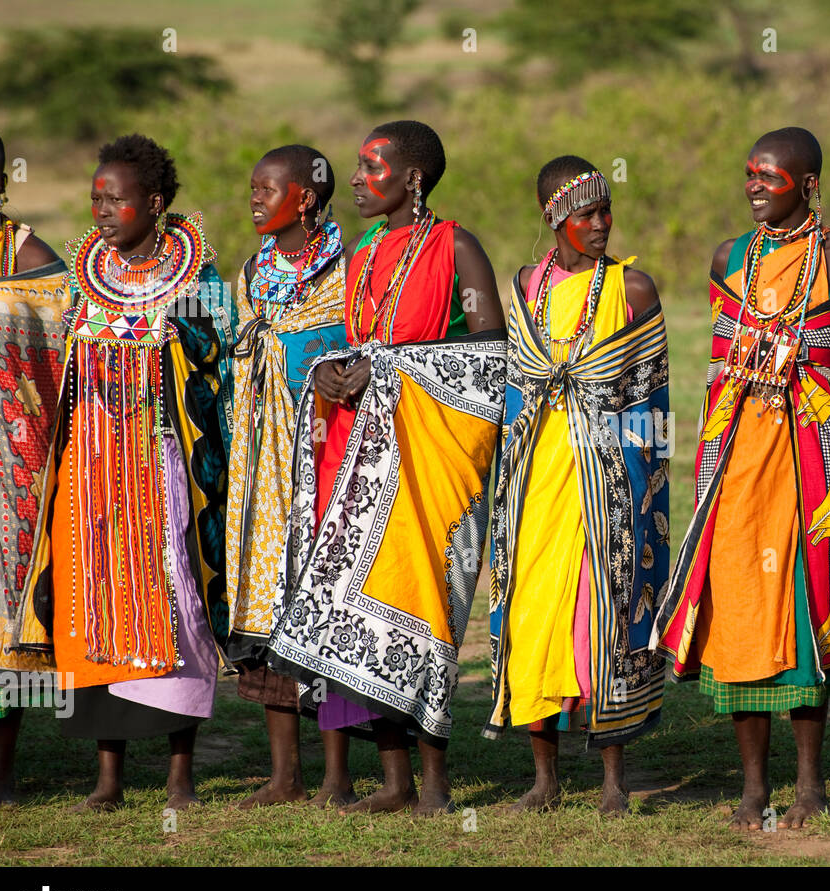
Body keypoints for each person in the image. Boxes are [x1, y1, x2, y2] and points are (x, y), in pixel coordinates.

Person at [266, 121, 506, 814]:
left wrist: (389, 368)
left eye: (373, 168)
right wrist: (334, 372)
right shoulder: (366, 253)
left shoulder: (456, 246)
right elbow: (352, 343)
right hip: (362, 448)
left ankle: (435, 784)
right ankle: (395, 783)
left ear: (413, 178)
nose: (359, 179)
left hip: (432, 454)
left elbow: (490, 359)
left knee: (423, 604)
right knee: (358, 610)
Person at [652, 128, 830, 829]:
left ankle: (810, 784)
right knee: (741, 601)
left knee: (805, 601)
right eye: (749, 174)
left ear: (808, 185)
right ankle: (752, 788)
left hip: (815, 453)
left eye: (770, 178)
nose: (753, 186)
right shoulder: (730, 258)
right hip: (737, 452)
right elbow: (723, 361)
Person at [17, 134, 235, 810]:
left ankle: (179, 775)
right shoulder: (83, 275)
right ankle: (108, 778)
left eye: (116, 199)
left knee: (174, 601)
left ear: (157, 203)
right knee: (91, 601)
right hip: (89, 469)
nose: (102, 209)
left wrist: (184, 335)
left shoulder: (198, 275)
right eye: (95, 198)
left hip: (162, 464)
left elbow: (220, 357)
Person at [484, 156, 668, 814]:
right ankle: (545, 777)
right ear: (554, 219)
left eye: (605, 210)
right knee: (534, 615)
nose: (601, 223)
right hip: (535, 481)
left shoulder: (633, 289)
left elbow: (652, 399)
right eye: (586, 214)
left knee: (603, 614)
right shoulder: (524, 289)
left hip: (608, 487)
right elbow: (515, 388)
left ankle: (615, 780)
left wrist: (636, 482)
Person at [226, 145, 357, 808]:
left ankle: (338, 775)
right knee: (266, 607)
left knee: (322, 604)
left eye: (267, 189)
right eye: (253, 188)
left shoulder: (350, 270)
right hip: (260, 467)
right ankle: (286, 775)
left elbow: (365, 358)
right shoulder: (254, 270)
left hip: (325, 456)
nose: (254, 199)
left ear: (304, 198)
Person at [0, 124, 64, 806]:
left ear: (5, 181)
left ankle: (2, 771)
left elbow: (66, 347)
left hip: (8, 465)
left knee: (4, 613)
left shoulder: (26, 253)